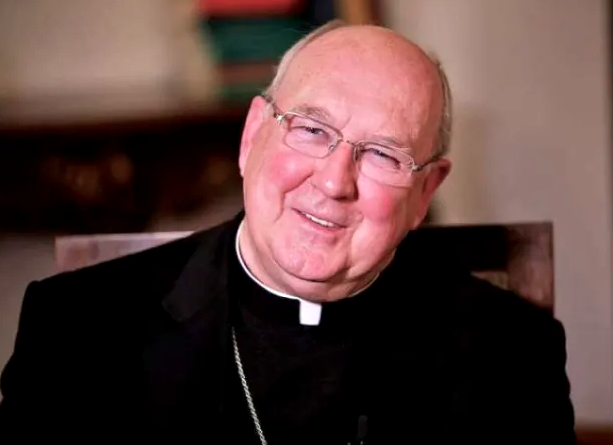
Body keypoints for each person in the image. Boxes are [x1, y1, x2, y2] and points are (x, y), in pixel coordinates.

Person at [0, 21, 575, 444]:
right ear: (252, 135)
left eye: (382, 154)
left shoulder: (514, 353)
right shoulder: (75, 329)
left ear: (425, 193)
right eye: (311, 129)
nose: (334, 182)